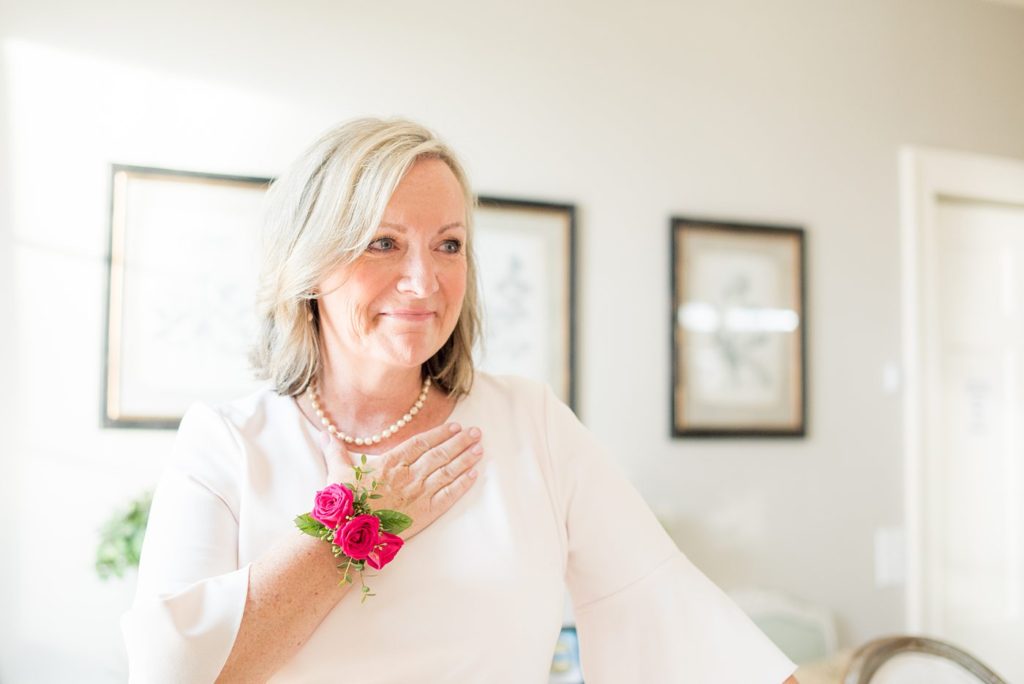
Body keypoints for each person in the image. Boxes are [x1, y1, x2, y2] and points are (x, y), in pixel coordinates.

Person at [122, 117, 800, 684]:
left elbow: (668, 607)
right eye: (384, 243)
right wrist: (355, 531)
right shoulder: (227, 442)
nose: (425, 281)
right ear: (310, 264)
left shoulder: (532, 425)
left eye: (449, 245)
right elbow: (172, 667)